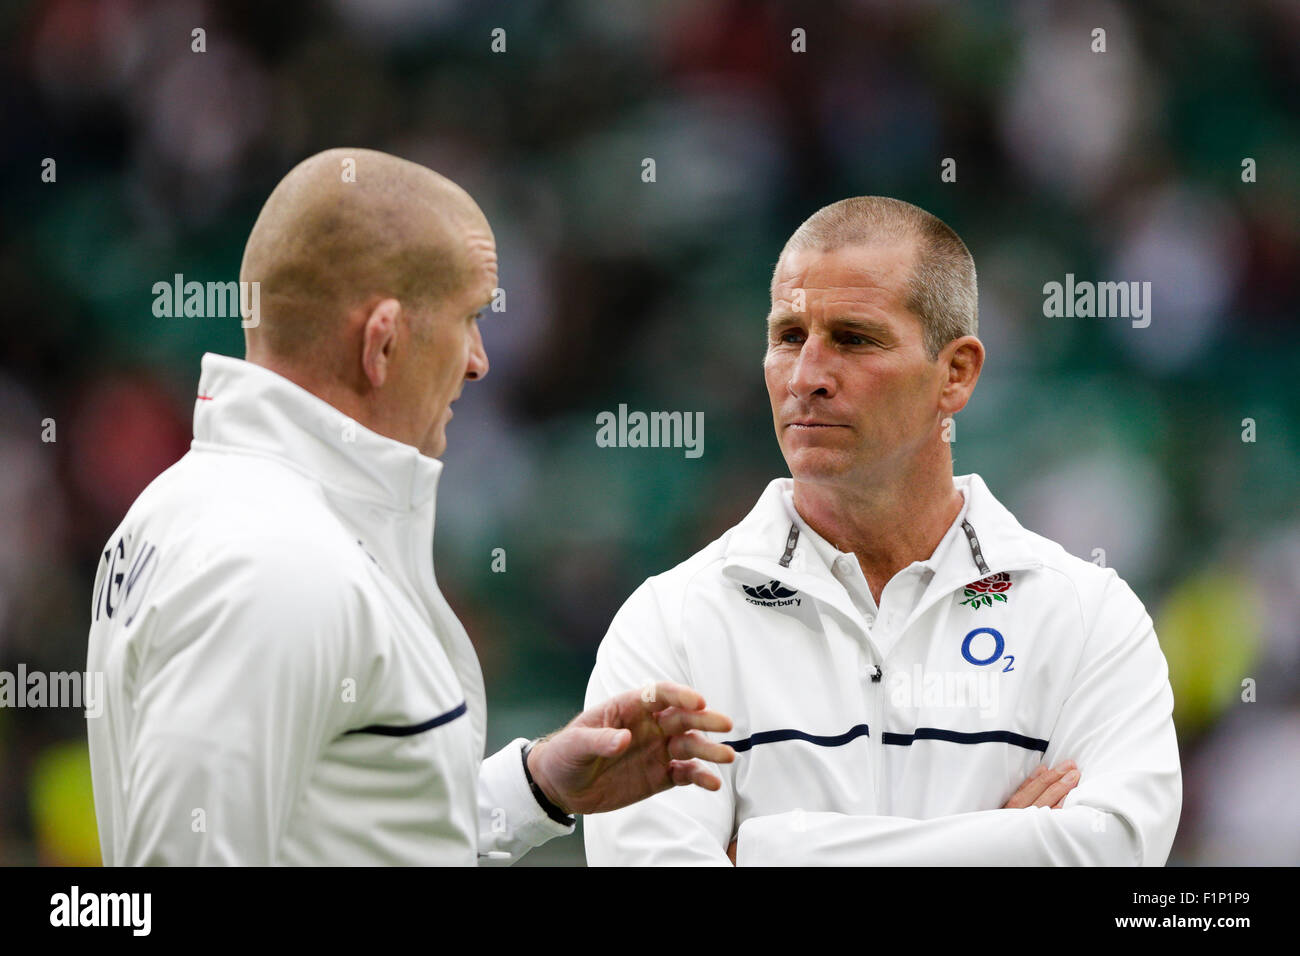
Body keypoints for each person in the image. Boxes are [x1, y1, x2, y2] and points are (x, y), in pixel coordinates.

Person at [85, 147, 735, 866]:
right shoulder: (276, 560)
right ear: (383, 340)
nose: (479, 359)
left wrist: (532, 788)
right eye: (468, 318)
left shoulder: (200, 508)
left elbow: (335, 830)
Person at [583, 197, 1181, 866]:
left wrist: (769, 850)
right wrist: (1005, 846)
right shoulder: (671, 624)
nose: (806, 377)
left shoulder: (1087, 615)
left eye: (854, 338)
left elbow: (1114, 850)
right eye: (787, 336)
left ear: (955, 374)